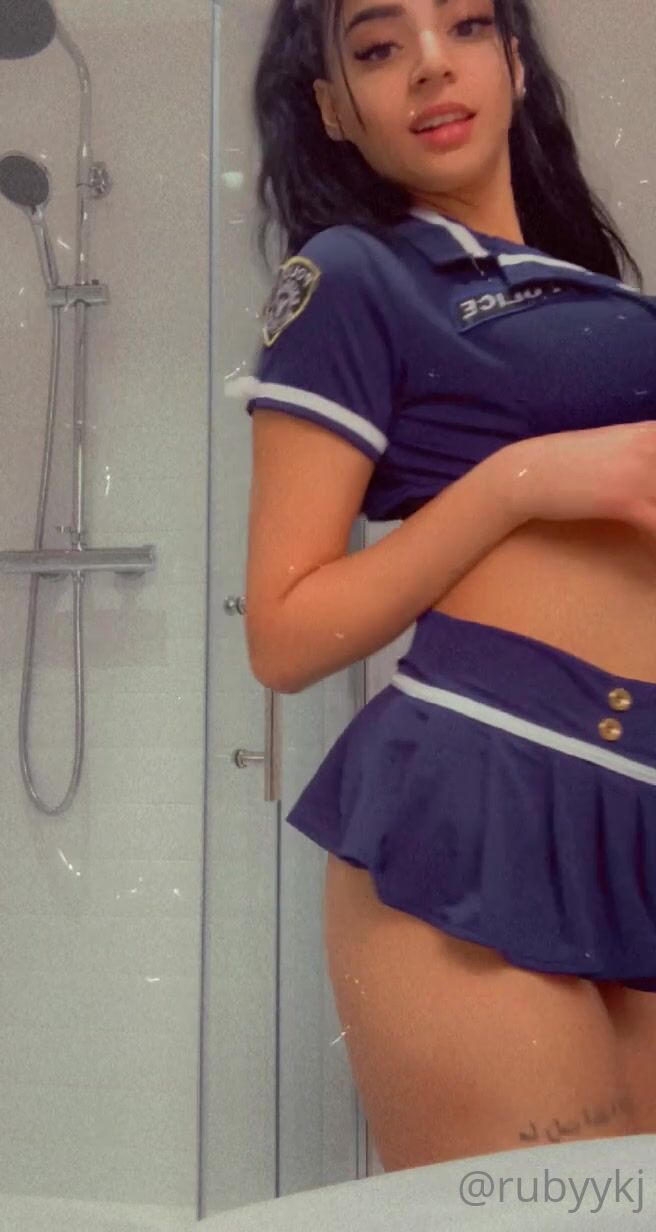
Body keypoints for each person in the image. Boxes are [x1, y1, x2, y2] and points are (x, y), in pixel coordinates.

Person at [239, 0, 656, 1169]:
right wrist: (515, 482)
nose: (429, 64)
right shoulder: (355, 275)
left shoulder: (590, 289)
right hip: (485, 788)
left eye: (465, 27)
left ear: (513, 65)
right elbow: (281, 634)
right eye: (378, 48)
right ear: (333, 109)